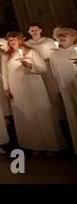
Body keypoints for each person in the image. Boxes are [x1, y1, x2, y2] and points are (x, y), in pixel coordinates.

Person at [1, 32, 67, 156]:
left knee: (41, 113)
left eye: (14, 39)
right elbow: (4, 74)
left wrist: (30, 65)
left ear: (20, 40)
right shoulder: (6, 56)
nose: (12, 42)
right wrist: (6, 89)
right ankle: (35, 145)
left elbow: (43, 69)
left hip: (34, 85)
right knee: (26, 115)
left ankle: (51, 146)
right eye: (9, 40)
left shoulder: (32, 52)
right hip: (16, 88)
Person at [26, 23, 66, 120]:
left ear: (40, 30)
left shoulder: (48, 41)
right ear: (29, 32)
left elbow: (56, 52)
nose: (34, 31)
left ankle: (62, 114)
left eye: (36, 29)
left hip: (49, 65)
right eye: (32, 30)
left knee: (54, 89)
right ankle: (50, 116)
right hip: (36, 67)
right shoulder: (27, 43)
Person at [50, 26, 77, 154]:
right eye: (59, 35)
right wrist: (58, 90)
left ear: (74, 36)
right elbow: (54, 74)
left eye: (65, 34)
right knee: (73, 117)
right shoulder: (55, 55)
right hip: (65, 89)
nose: (61, 37)